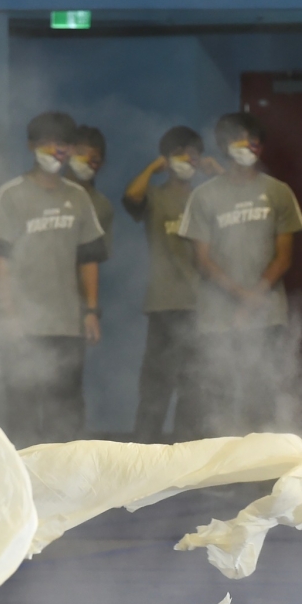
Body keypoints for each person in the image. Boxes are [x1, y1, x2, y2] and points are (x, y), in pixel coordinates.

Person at [178, 112, 302, 435]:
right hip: (218, 316)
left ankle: (260, 475)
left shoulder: (278, 193)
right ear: (223, 145)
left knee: (263, 395)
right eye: (240, 139)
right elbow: (202, 260)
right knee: (219, 397)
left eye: (255, 140)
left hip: (266, 314)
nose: (249, 146)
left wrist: (254, 298)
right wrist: (240, 295)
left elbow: (285, 256)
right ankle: (223, 475)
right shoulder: (204, 196)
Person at [0, 111, 107, 446]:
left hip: (67, 324)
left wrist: (92, 311)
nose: (56, 150)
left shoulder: (78, 198)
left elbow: (88, 259)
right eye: (47, 143)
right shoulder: (11, 195)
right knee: (21, 409)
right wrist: (8, 316)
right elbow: (0, 262)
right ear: (31, 146)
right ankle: (22, 486)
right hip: (23, 326)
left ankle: (63, 487)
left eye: (63, 144)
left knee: (65, 411)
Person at [123, 125, 221, 442]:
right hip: (163, 304)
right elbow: (131, 196)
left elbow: (231, 200)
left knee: (195, 386)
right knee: (156, 385)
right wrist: (153, 167)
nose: (187, 159)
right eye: (179, 153)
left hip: (202, 306)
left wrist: (216, 170)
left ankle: (185, 457)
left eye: (193, 153)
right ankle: (143, 457)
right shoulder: (156, 196)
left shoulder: (206, 198)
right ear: (167, 157)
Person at [69, 125, 115, 256]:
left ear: (102, 164)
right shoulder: (45, 194)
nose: (86, 162)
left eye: (94, 159)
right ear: (68, 152)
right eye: (81, 154)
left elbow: (96, 259)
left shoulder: (103, 207)